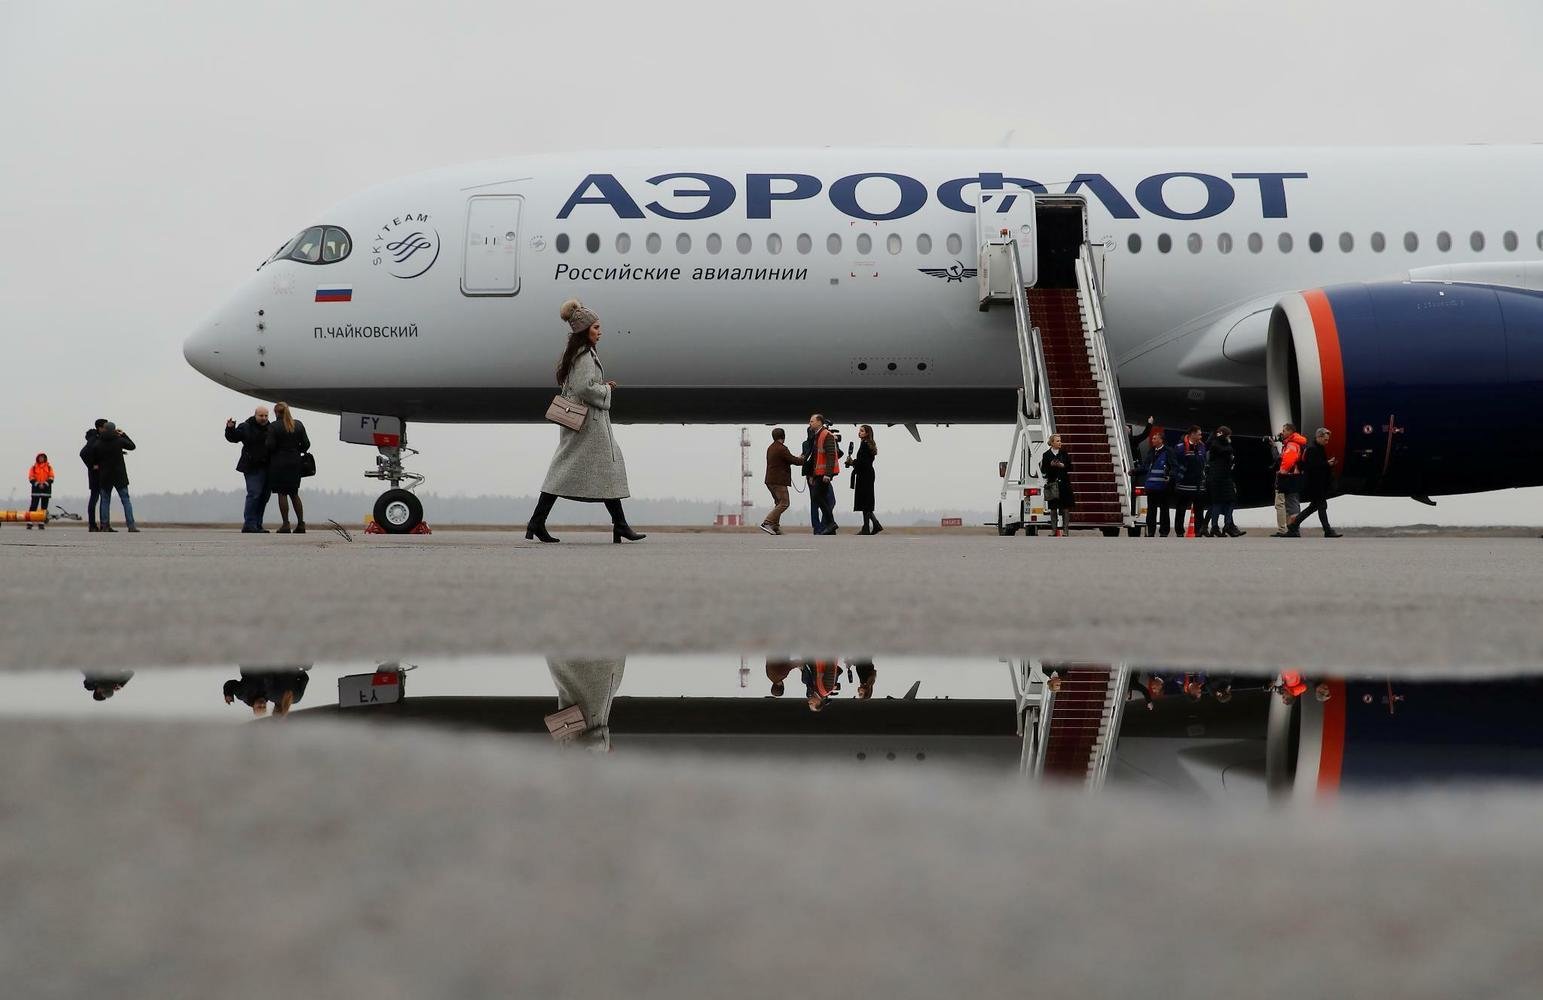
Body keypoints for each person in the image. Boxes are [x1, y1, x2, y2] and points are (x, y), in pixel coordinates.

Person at [526, 300, 645, 544]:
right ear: (584, 330)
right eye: (596, 328)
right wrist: (606, 390)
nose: (600, 332)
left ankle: (619, 525)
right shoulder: (584, 356)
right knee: (578, 470)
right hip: (588, 424)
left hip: (586, 423)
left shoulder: (580, 353)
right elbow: (584, 387)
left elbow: (582, 385)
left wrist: (601, 385)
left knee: (599, 470)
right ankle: (619, 526)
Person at [1288, 428, 1343, 538]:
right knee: (1321, 506)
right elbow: (1312, 467)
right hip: (1315, 484)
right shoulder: (1312, 449)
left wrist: (1328, 464)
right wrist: (1327, 464)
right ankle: (1327, 530)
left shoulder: (1318, 448)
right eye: (1325, 439)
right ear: (1319, 437)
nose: (1327, 442)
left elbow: (1317, 465)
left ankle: (1294, 525)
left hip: (1318, 484)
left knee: (1314, 507)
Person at [265, 401, 310, 534]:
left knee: (282, 493)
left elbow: (270, 445)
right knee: (294, 493)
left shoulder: (273, 426)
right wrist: (296, 450)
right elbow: (306, 444)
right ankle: (301, 523)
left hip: (279, 463)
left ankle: (286, 524)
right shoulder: (298, 424)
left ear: (276, 413)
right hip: (295, 462)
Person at [225, 406, 272, 533]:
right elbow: (233, 438)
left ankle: (257, 524)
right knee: (254, 493)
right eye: (261, 416)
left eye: (266, 416)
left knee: (264, 496)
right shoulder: (246, 426)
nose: (264, 418)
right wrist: (230, 428)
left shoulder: (271, 428)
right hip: (252, 466)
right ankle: (249, 524)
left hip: (267, 467)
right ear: (255, 415)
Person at [91, 421, 137, 533]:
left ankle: (105, 525)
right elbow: (132, 446)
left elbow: (93, 454)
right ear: (114, 429)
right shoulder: (119, 440)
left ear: (104, 429)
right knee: (125, 500)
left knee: (105, 501)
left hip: (105, 475)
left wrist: (96, 464)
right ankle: (131, 526)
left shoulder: (99, 442)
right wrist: (123, 434)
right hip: (119, 475)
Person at [1203, 426, 1244, 537]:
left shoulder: (1220, 444)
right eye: (1228, 436)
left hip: (1224, 476)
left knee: (1229, 500)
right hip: (1217, 478)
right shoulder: (1216, 444)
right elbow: (1226, 450)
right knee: (1218, 502)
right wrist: (1227, 443)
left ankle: (1226, 524)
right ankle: (1216, 526)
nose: (1229, 438)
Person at [759, 428, 801, 536]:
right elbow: (794, 460)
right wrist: (803, 459)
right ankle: (767, 523)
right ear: (783, 436)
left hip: (770, 480)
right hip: (779, 481)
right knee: (784, 503)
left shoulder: (770, 448)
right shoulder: (782, 448)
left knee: (778, 503)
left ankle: (775, 527)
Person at [804, 413, 841, 535]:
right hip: (819, 473)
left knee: (817, 496)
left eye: (812, 421)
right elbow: (816, 457)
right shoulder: (817, 435)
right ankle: (831, 526)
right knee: (822, 498)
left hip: (824, 473)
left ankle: (831, 524)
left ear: (819, 422)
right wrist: (812, 474)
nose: (810, 423)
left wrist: (828, 474)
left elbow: (831, 455)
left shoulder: (826, 435)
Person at [1272, 423, 1308, 538]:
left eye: (1284, 431)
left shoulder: (1292, 444)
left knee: (1292, 504)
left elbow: (1287, 461)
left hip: (1290, 477)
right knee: (1291, 503)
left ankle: (1294, 529)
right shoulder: (1295, 443)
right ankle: (1292, 529)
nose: (1282, 433)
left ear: (1290, 431)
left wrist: (1281, 473)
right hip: (1294, 477)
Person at [1172, 425, 1207, 537]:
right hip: (1184, 483)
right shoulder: (1180, 447)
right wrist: (1178, 477)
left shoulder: (1201, 446)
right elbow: (1176, 463)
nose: (1201, 436)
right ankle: (1179, 531)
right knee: (1181, 509)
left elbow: (1202, 461)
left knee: (1199, 509)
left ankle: (1198, 530)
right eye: (1199, 434)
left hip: (1198, 484)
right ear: (1192, 434)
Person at [1039, 433, 1074, 536]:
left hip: (1064, 483)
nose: (1060, 443)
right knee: (1053, 508)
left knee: (1065, 507)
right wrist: (1051, 465)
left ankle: (1065, 530)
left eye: (1060, 441)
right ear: (1052, 443)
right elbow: (1043, 470)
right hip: (1052, 484)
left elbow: (1070, 467)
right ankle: (1054, 530)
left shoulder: (1064, 454)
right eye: (1057, 441)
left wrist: (1062, 465)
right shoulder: (1046, 455)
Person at [850, 424, 882, 535]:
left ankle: (869, 527)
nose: (859, 432)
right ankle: (871, 526)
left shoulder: (864, 445)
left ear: (867, 433)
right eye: (860, 430)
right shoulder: (867, 444)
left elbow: (862, 462)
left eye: (862, 431)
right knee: (866, 502)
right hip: (867, 474)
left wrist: (852, 462)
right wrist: (854, 462)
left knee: (865, 502)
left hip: (864, 475)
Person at [1142, 426, 1173, 537]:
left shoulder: (1168, 452)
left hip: (1163, 487)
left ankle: (1164, 532)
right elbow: (1146, 466)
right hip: (1151, 487)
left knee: (1164, 510)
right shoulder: (1151, 452)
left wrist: (1171, 476)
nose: (1152, 440)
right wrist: (1134, 471)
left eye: (1155, 438)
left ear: (1161, 440)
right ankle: (1151, 531)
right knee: (1151, 510)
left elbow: (1174, 466)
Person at [79, 419, 106, 532]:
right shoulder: (94, 439)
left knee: (101, 498)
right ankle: (92, 524)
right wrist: (92, 465)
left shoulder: (98, 438)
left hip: (101, 473)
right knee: (95, 498)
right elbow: (83, 453)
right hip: (95, 474)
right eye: (105, 427)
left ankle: (102, 524)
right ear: (100, 428)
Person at [26, 452, 53, 530]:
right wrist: (38, 484)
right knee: (33, 506)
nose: (41, 459)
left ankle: (41, 523)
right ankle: (30, 522)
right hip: (36, 490)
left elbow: (51, 477)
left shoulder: (49, 467)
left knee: (44, 507)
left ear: (45, 458)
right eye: (40, 457)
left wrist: (44, 484)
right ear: (37, 458)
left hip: (46, 490)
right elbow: (31, 477)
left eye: (42, 457)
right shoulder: (33, 467)